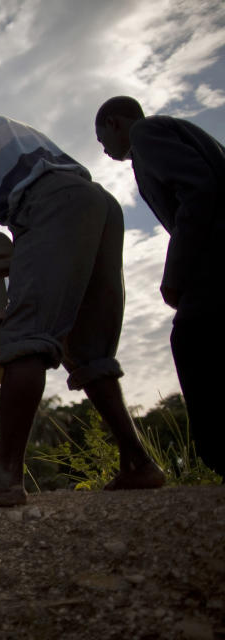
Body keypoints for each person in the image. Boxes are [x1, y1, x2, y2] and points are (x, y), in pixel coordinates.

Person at [0, 81, 164, 506]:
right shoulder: (10, 127)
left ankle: (5, 473)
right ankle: (139, 463)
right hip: (97, 204)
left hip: (51, 207)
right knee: (89, 350)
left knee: (25, 336)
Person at [95, 96, 225, 479]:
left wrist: (175, 273)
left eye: (101, 137)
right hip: (212, 258)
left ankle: (218, 455)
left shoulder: (148, 134)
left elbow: (198, 191)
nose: (103, 149)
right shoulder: (177, 132)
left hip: (214, 259)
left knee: (191, 339)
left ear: (115, 123)